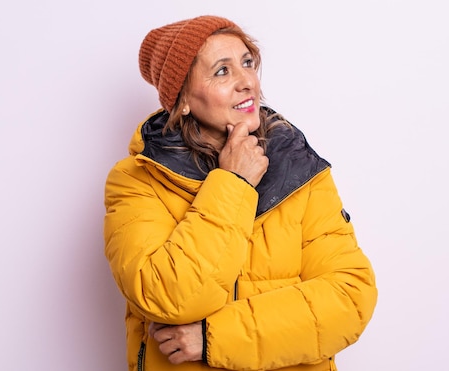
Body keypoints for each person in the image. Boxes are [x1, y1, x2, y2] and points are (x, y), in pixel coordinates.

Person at [103, 15, 377, 371]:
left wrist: (213, 337)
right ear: (182, 98)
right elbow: (168, 297)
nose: (246, 82)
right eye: (222, 71)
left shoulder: (300, 168)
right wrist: (233, 183)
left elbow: (349, 299)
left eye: (247, 63)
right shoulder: (138, 181)